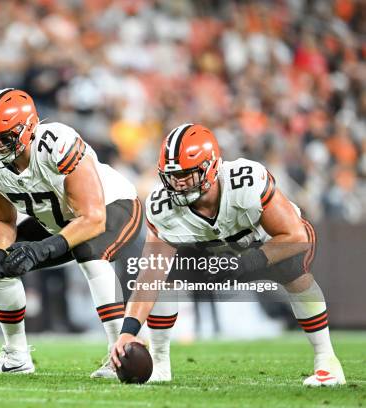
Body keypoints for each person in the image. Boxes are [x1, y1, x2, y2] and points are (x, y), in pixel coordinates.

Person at [110, 124, 345, 387]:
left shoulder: (246, 180)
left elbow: (296, 237)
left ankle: (327, 360)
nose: (179, 183)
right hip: (214, 251)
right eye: (173, 176)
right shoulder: (163, 207)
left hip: (267, 244)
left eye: (187, 174)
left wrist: (246, 262)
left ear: (211, 167)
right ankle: (160, 362)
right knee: (163, 276)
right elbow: (150, 274)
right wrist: (128, 332)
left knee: (292, 270)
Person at [0, 88, 143, 378]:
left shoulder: (57, 143)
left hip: (112, 206)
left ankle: (118, 351)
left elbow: (92, 218)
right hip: (60, 221)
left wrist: (43, 249)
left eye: (4, 137)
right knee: (2, 265)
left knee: (89, 251)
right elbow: (1, 220)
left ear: (29, 129)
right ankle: (15, 357)